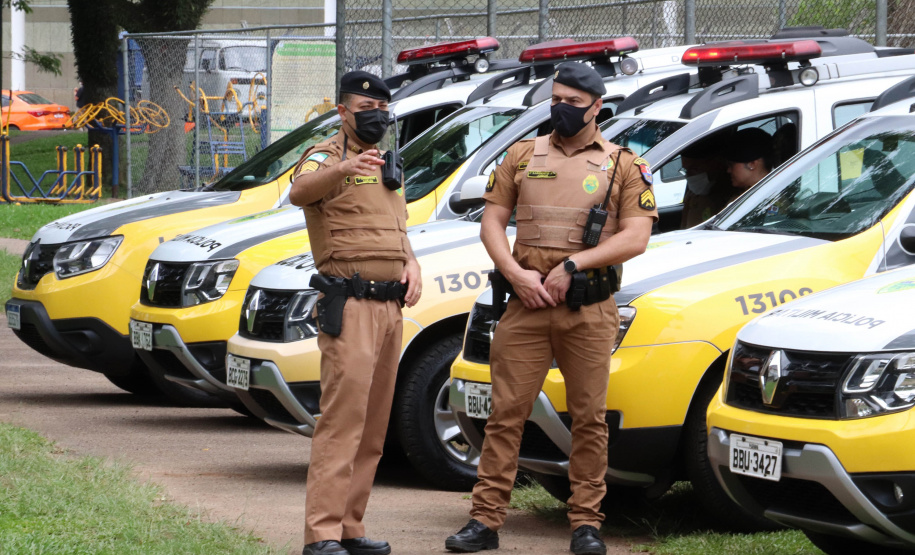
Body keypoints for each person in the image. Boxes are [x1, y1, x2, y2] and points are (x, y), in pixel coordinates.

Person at [445, 62, 657, 555]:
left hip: (589, 307)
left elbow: (636, 236)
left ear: (597, 107)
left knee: (588, 418)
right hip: (525, 304)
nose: (561, 108)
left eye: (573, 102)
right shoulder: (522, 154)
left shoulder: (623, 163)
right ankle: (485, 521)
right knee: (505, 416)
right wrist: (516, 273)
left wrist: (574, 265)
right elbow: (492, 222)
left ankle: (586, 524)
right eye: (555, 98)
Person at [289, 70, 422, 555]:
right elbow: (299, 192)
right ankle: (321, 533)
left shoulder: (387, 163)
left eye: (383, 112)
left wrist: (412, 264)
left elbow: (396, 226)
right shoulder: (328, 156)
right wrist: (343, 169)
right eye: (367, 111)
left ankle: (351, 526)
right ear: (343, 112)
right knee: (342, 420)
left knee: (373, 423)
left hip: (390, 306)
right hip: (350, 302)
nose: (377, 119)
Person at [679, 140, 732, 228]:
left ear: (716, 164)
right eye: (686, 170)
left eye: (694, 169)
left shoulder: (734, 199)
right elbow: (683, 229)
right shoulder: (692, 196)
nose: (689, 176)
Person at [725, 127, 774, 199]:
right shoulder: (767, 190)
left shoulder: (767, 199)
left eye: (731, 165)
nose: (728, 170)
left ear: (752, 164)